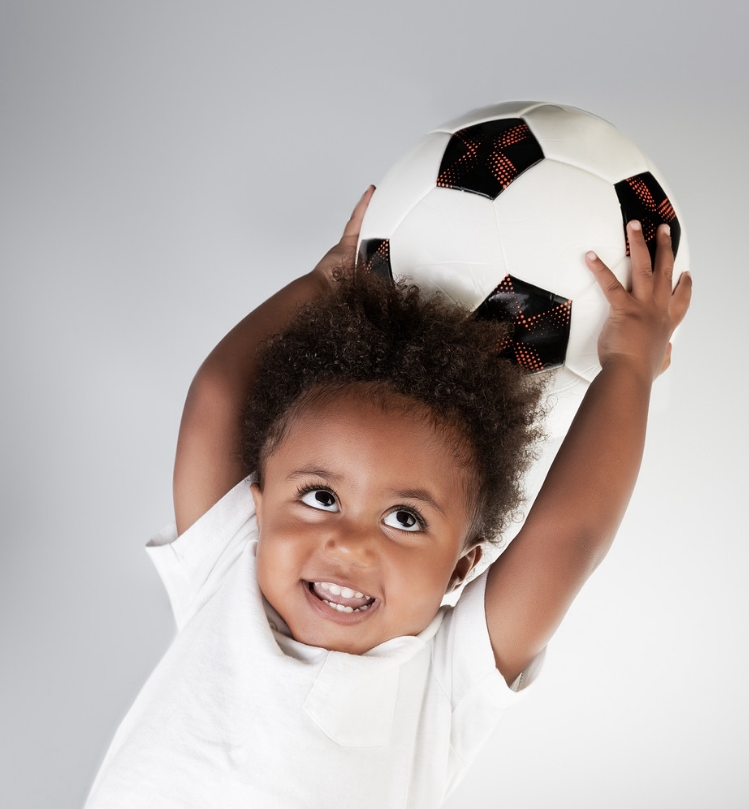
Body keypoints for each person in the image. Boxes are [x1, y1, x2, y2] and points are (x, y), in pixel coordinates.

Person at [84, 185, 692, 808]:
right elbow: (216, 399)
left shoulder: (446, 681)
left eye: (405, 518)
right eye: (319, 497)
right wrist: (323, 285)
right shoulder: (228, 574)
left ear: (461, 566)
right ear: (258, 508)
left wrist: (628, 366)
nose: (349, 544)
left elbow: (568, 536)